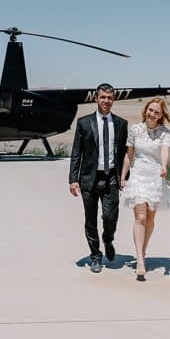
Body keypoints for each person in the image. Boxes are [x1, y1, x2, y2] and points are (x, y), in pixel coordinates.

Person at [119, 97, 170, 281]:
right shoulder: (135, 130)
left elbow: (165, 151)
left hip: (155, 177)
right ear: (145, 110)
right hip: (138, 175)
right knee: (140, 216)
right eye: (150, 110)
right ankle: (140, 259)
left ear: (161, 115)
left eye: (156, 112)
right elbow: (128, 155)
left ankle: (143, 251)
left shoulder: (164, 132)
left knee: (150, 219)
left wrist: (164, 166)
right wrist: (123, 176)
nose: (152, 114)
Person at [69, 83, 128, 273]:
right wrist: (73, 178)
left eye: (109, 98)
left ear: (113, 100)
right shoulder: (84, 122)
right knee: (90, 219)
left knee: (110, 216)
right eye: (103, 97)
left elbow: (124, 154)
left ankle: (108, 239)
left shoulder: (121, 124)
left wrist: (125, 177)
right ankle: (95, 255)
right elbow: (77, 152)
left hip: (111, 177)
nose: (106, 101)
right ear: (96, 98)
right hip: (89, 178)